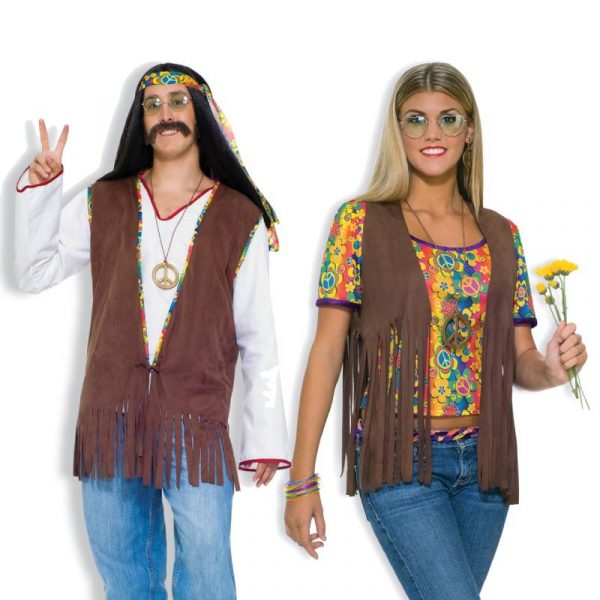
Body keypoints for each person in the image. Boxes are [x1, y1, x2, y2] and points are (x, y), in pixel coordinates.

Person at [284, 62, 587, 599]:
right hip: (401, 462)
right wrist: (300, 480)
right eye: (415, 119)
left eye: (448, 119)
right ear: (397, 131)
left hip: (486, 466)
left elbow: (521, 361)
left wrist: (552, 368)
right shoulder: (359, 222)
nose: (432, 133)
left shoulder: (502, 234)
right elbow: (327, 350)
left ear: (469, 131)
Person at [15, 63, 290, 600]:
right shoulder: (104, 200)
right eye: (153, 104)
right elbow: (35, 272)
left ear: (201, 115)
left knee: (207, 574)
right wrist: (43, 190)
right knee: (124, 576)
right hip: (111, 417)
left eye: (178, 101)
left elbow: (258, 334)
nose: (166, 114)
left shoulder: (240, 217)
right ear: (140, 122)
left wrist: (265, 438)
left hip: (196, 423)